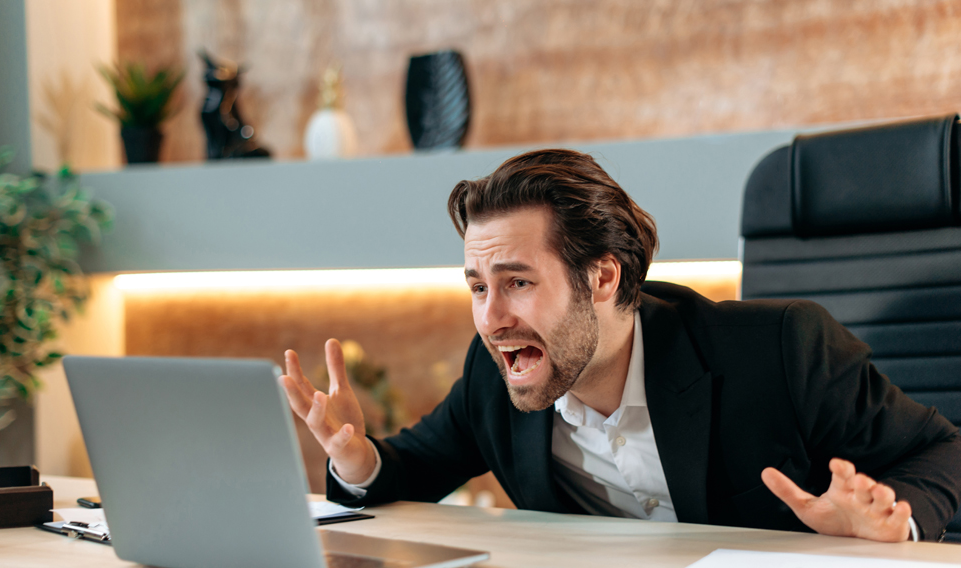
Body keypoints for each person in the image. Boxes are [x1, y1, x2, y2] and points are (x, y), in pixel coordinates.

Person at [281, 149, 961, 542]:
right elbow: (402, 474)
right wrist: (358, 456)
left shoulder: (781, 350)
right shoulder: (497, 377)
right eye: (477, 286)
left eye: (516, 282)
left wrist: (889, 524)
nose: (490, 317)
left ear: (602, 275)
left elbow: (945, 448)